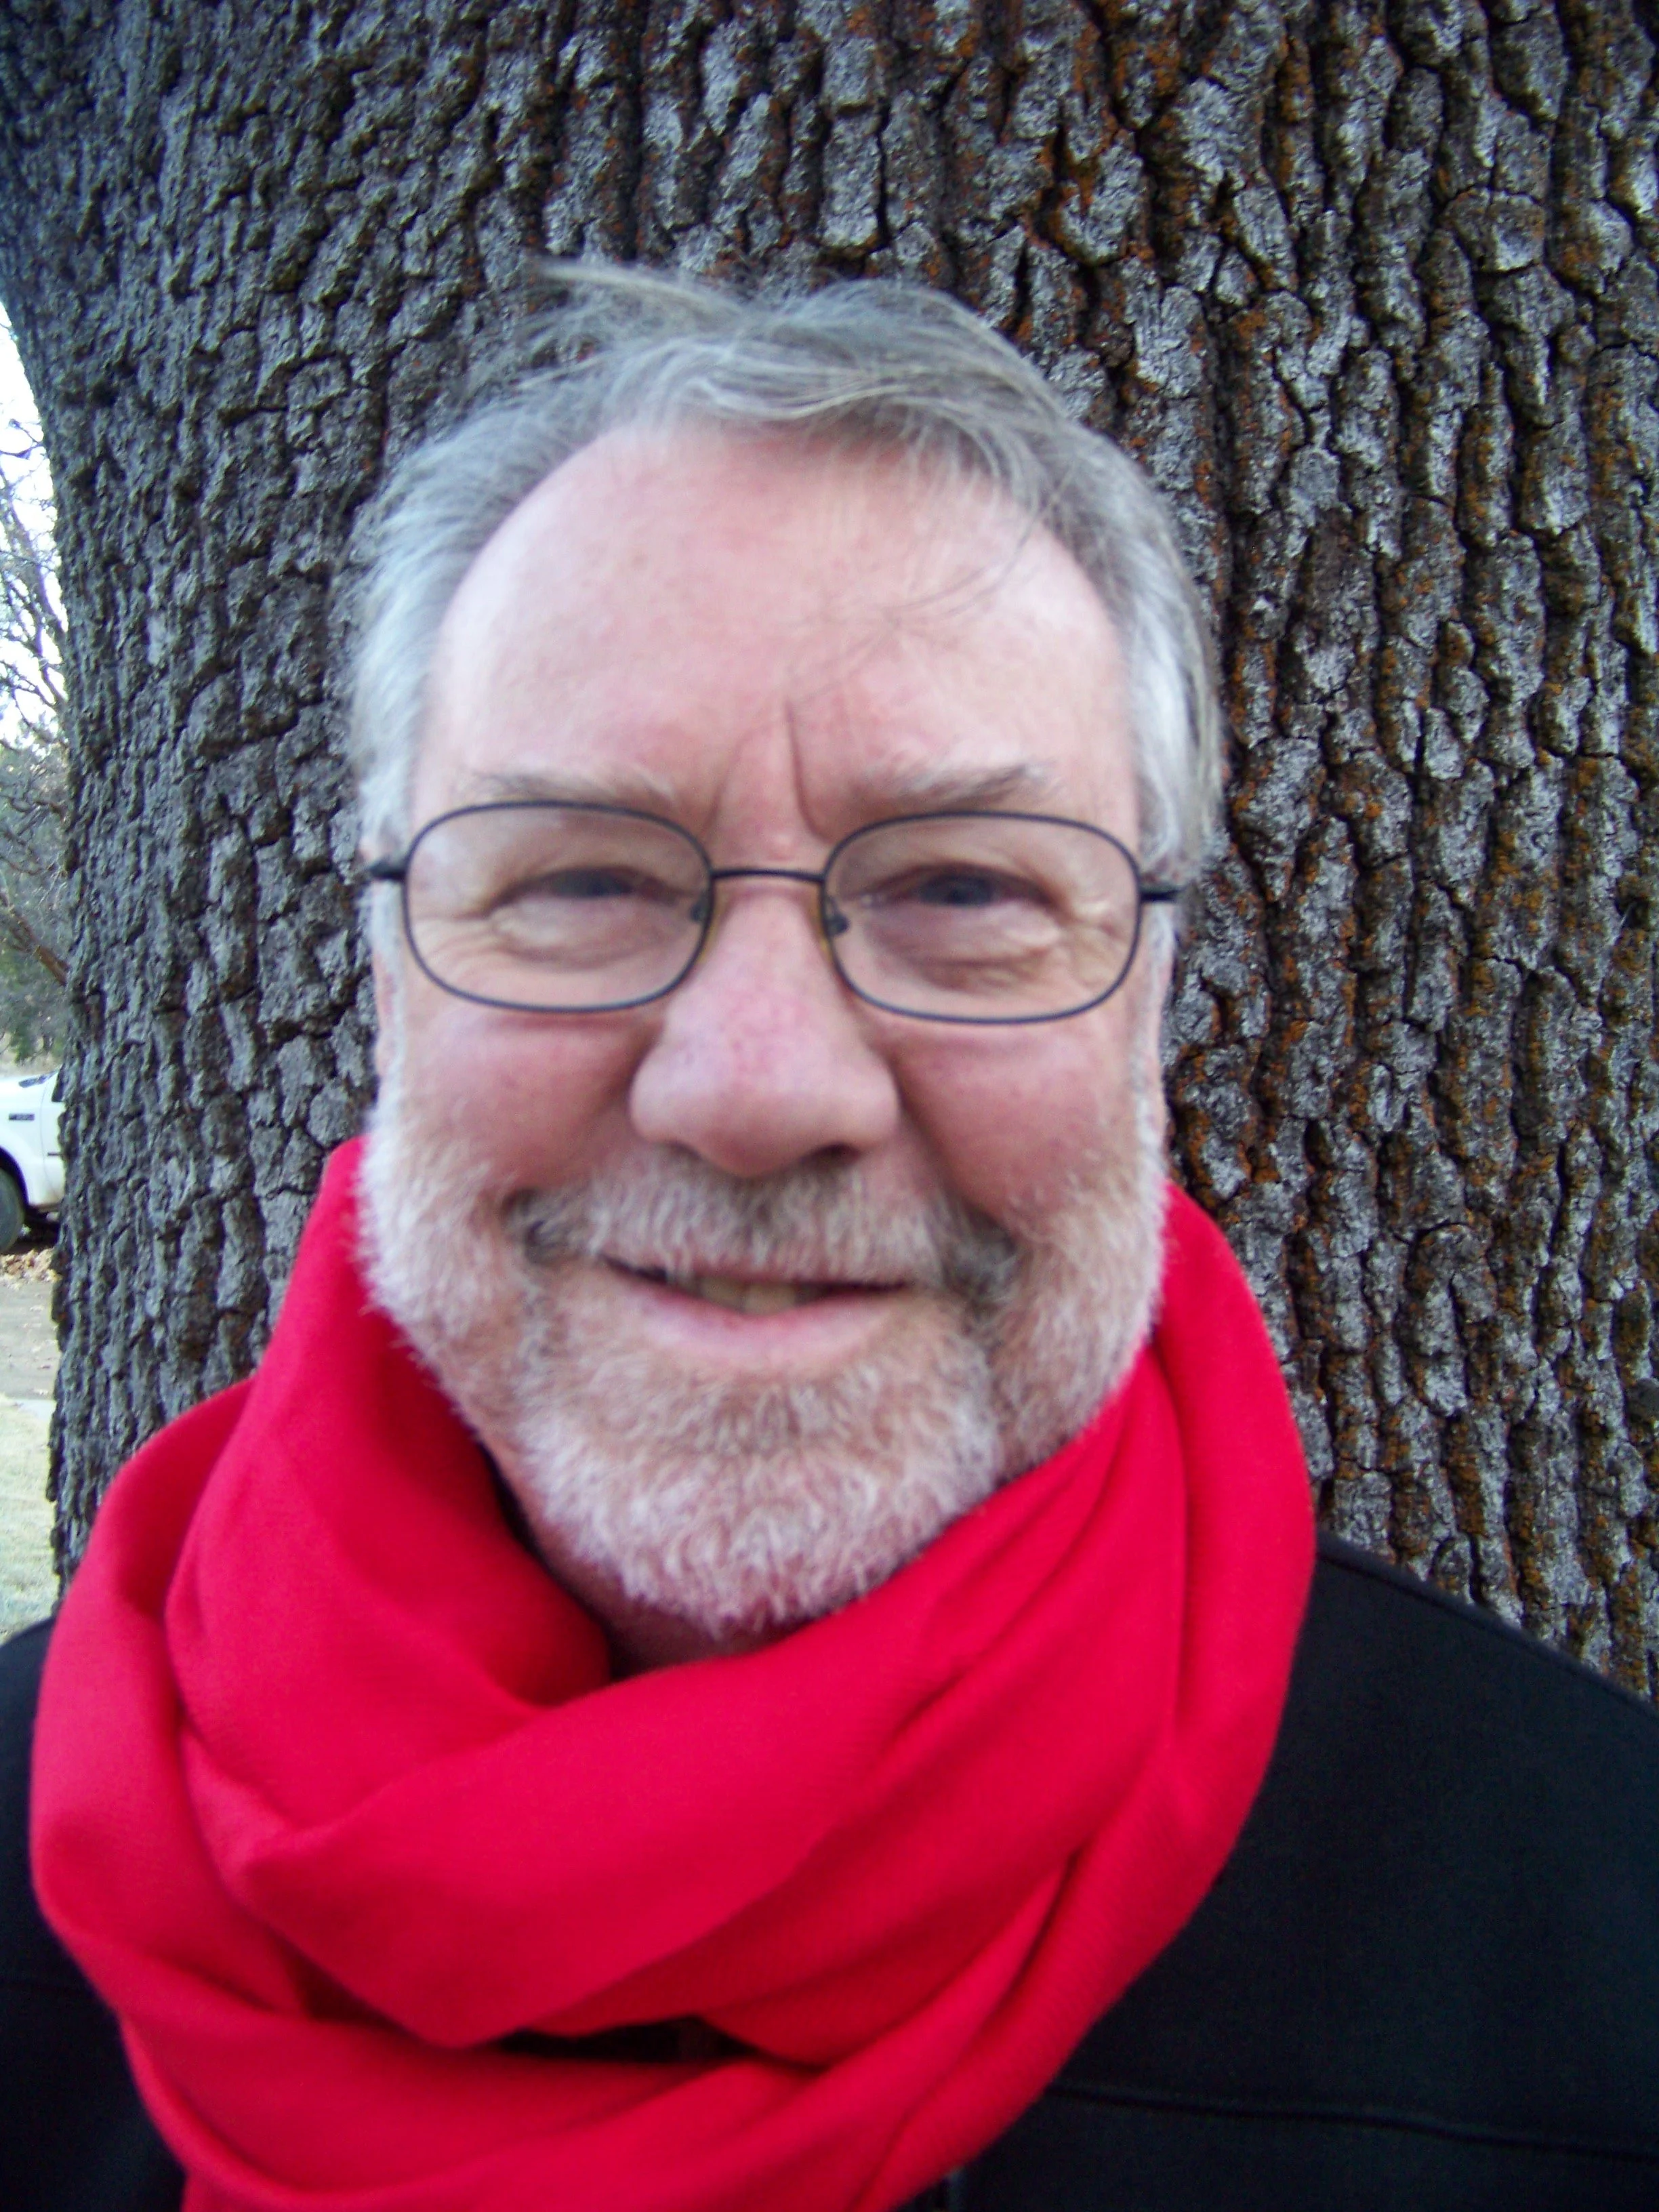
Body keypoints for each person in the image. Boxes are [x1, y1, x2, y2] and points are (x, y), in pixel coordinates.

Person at [3, 269, 1658, 2212]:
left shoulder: (1593, 1973)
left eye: (963, 885)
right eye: (584, 877)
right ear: (384, 983)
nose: (760, 1083)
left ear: (1154, 996)